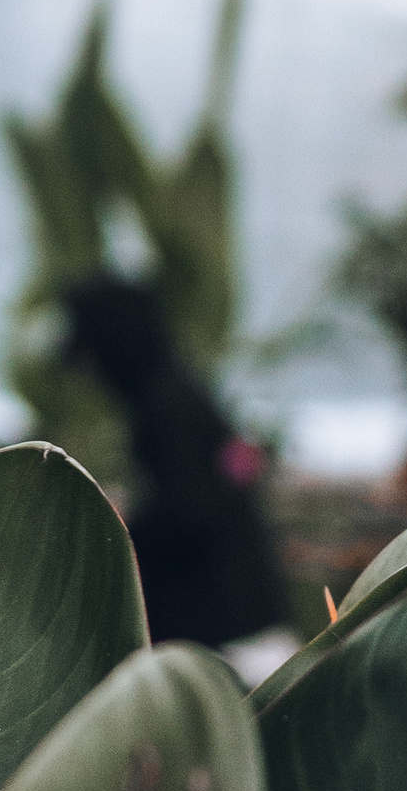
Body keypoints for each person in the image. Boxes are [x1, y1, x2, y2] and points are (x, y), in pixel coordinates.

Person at [58, 273, 288, 656]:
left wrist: (118, 528)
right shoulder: (172, 390)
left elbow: (189, 509)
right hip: (238, 612)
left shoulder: (164, 404)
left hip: (221, 625)